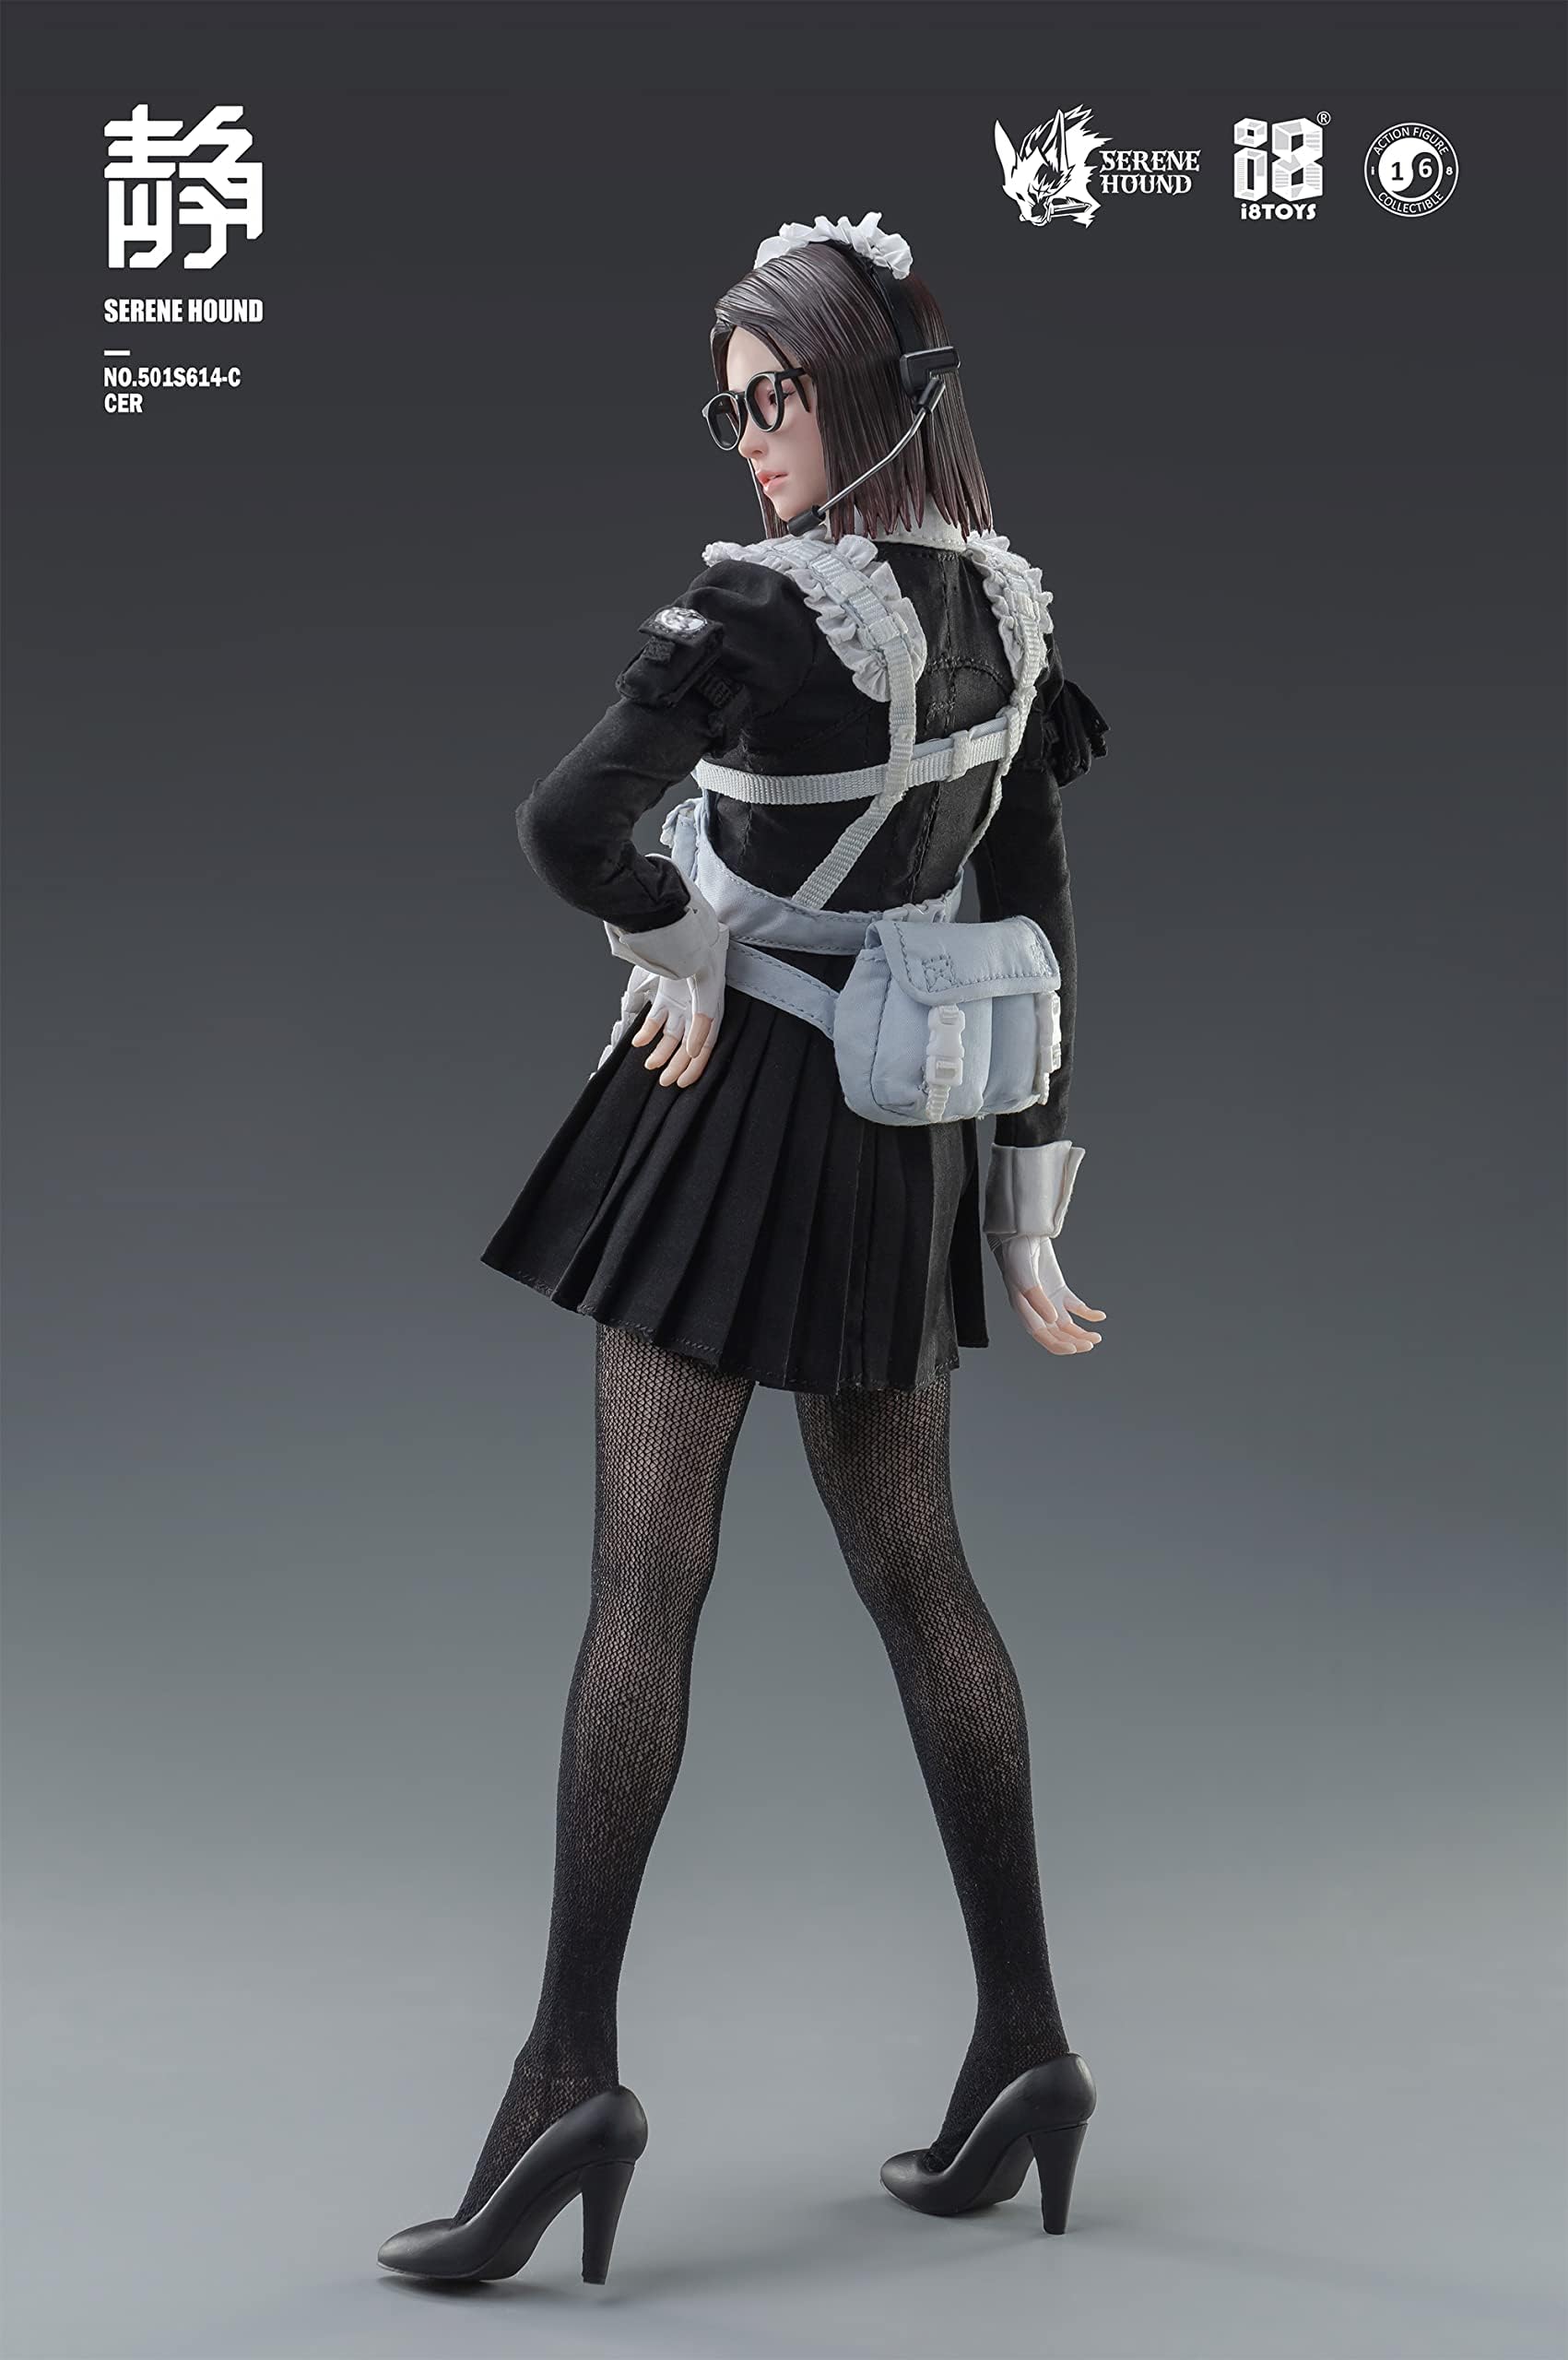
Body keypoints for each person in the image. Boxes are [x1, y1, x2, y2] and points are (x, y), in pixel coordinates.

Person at [377, 210, 1110, 2290]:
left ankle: (563, 2085)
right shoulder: (999, 610)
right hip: (899, 1141)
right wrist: (1029, 1197)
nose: (749, 434)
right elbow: (1033, 928)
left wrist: (680, 932)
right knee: (921, 1581)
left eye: (775, 395)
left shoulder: (769, 610)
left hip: (725, 1123)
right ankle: (1028, 2048)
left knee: (646, 1587)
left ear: (866, 393)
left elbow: (566, 830)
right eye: (731, 404)